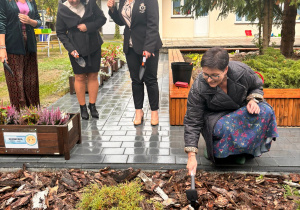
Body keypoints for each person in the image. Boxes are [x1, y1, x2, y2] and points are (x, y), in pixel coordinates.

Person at [184, 47, 278, 174]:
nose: (209, 79)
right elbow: (192, 120)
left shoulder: (242, 71)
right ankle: (213, 148)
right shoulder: (198, 87)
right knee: (225, 126)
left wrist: (252, 100)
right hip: (216, 118)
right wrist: (191, 157)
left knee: (265, 111)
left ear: (226, 69)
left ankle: (244, 151)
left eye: (215, 75)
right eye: (206, 74)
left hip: (240, 111)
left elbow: (256, 86)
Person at [107, 0, 162, 126]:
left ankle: (154, 111)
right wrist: (113, 10)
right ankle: (138, 111)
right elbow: (122, 21)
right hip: (131, 47)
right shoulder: (123, 1)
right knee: (136, 80)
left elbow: (153, 23)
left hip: (148, 45)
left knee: (150, 80)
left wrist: (148, 47)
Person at [56, 0, 106, 120]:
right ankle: (83, 107)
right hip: (75, 48)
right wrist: (71, 49)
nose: (74, 2)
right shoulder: (62, 9)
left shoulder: (90, 3)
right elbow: (60, 32)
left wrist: (88, 26)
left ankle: (92, 106)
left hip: (94, 45)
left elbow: (102, 19)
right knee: (79, 77)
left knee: (93, 75)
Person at [0, 0, 42, 110]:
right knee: (16, 83)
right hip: (13, 44)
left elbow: (39, 21)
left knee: (31, 82)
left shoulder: (31, 1)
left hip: (30, 44)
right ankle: (20, 117)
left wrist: (30, 21)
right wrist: (2, 47)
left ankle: (34, 115)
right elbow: (1, 23)